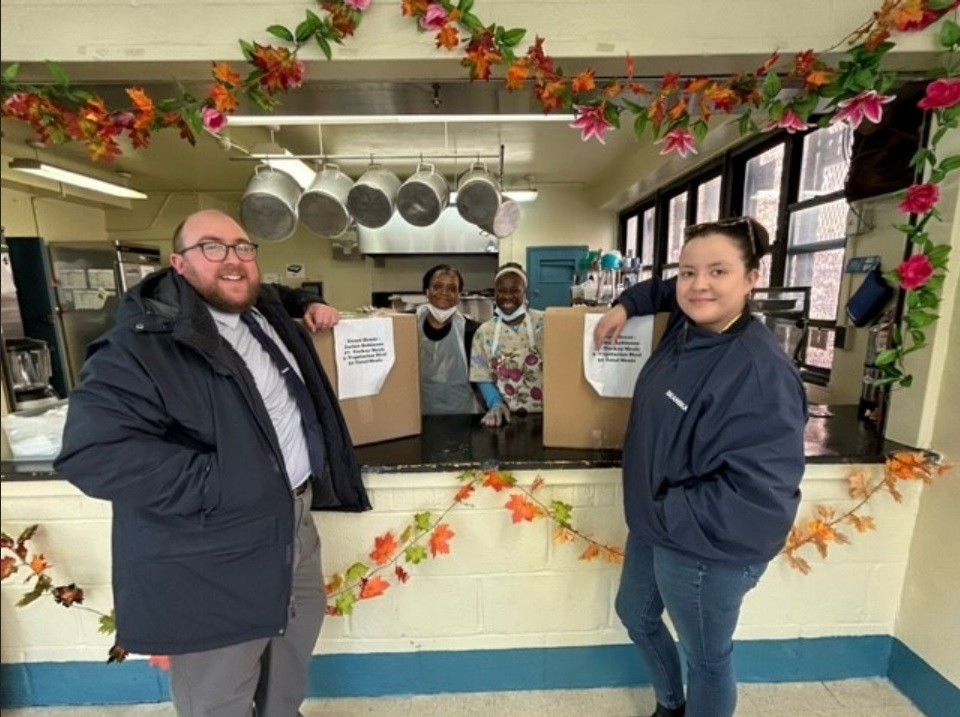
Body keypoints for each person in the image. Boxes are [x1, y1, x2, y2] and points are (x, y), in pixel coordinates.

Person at [54, 209, 371, 717]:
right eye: (213, 247)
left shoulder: (259, 310)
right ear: (178, 264)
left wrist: (309, 301)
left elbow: (274, 293)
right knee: (217, 695)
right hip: (213, 549)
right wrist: (223, 485)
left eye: (243, 248)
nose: (233, 260)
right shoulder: (139, 345)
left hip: (293, 527)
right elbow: (93, 453)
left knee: (285, 676)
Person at [593, 217, 807, 717]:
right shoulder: (690, 324)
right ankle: (672, 706)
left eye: (718, 271)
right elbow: (661, 291)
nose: (698, 285)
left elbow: (760, 493)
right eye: (688, 272)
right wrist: (625, 304)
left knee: (707, 658)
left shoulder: (758, 371)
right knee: (636, 615)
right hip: (659, 520)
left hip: (707, 541)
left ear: (752, 278)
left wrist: (672, 513)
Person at [469, 262, 545, 428]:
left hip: (546, 418)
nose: (507, 296)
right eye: (501, 291)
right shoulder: (484, 332)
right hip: (506, 420)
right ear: (495, 293)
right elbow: (482, 376)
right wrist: (495, 403)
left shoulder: (543, 323)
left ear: (525, 292)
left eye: (515, 290)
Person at [417, 264, 483, 415]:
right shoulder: (408, 327)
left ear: (459, 295)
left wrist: (494, 403)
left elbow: (483, 378)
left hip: (462, 418)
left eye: (452, 288)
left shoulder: (473, 331)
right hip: (418, 418)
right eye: (437, 286)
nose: (444, 293)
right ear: (426, 291)